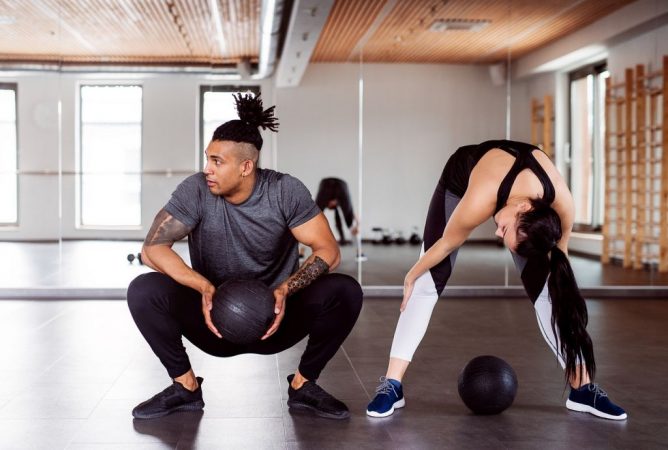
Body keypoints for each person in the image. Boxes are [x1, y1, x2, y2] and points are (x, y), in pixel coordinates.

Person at [127, 93, 363, 420]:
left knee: (345, 290)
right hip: (213, 321)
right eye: (207, 158)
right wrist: (205, 288)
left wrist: (283, 291)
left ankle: (303, 385)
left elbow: (329, 252)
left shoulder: (284, 191)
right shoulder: (195, 190)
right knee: (144, 289)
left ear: (246, 166)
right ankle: (185, 387)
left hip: (275, 320)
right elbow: (152, 249)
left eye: (217, 161)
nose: (207, 169)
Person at [365, 140, 627, 421]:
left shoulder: (561, 207)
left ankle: (583, 388)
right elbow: (444, 245)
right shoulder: (481, 197)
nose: (497, 234)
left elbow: (560, 261)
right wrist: (410, 275)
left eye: (503, 233)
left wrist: (563, 292)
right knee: (427, 280)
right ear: (523, 208)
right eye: (504, 229)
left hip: (510, 190)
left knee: (550, 293)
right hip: (462, 179)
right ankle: (392, 385)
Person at [315, 177, 359, 245]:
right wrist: (356, 225)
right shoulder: (340, 199)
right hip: (341, 185)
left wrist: (357, 225)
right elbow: (352, 214)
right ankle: (359, 251)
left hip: (326, 184)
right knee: (349, 219)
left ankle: (301, 250)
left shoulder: (327, 198)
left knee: (314, 216)